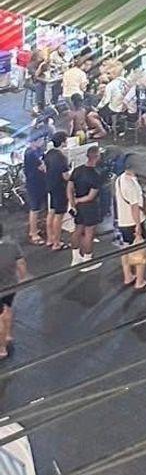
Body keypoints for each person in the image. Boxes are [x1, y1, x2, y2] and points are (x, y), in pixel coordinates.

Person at [114, 156, 146, 292]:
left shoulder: (120, 179)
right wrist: (138, 225)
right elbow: (134, 207)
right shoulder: (131, 185)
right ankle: (140, 282)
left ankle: (128, 276)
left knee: (125, 249)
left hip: (123, 220)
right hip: (133, 222)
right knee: (140, 252)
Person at [68, 144, 104, 269]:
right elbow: (90, 196)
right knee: (89, 234)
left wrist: (73, 202)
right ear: (97, 157)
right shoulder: (96, 175)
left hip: (78, 208)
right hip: (90, 208)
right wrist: (78, 200)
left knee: (77, 230)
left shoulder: (77, 170)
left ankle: (75, 258)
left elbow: (69, 187)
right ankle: (87, 261)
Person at [0, 221, 27, 358]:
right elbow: (21, 263)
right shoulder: (12, 246)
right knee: (7, 309)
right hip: (10, 285)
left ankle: (1, 348)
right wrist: (22, 278)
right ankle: (8, 335)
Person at [43, 132, 70, 252]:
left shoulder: (49, 153)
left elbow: (44, 168)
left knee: (51, 212)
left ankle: (50, 238)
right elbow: (66, 176)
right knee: (59, 216)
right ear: (63, 142)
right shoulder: (62, 157)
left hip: (50, 186)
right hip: (60, 188)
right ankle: (57, 243)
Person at [22, 137, 46, 248]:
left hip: (40, 182)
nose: (42, 142)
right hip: (34, 184)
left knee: (40, 207)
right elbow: (42, 167)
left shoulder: (37, 151)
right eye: (40, 140)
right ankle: (33, 233)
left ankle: (37, 228)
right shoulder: (30, 153)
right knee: (35, 209)